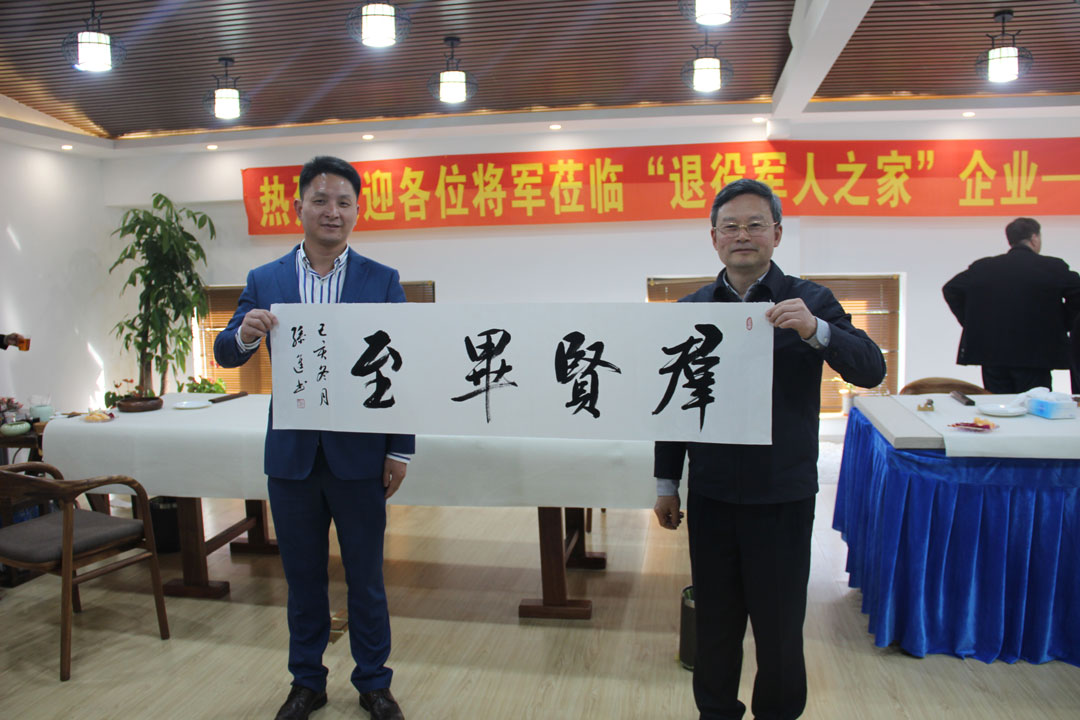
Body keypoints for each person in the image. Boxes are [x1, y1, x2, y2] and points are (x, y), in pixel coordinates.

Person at [653, 179, 886, 720]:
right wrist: (667, 482)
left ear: (776, 234)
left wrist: (816, 330)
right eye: (730, 226)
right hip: (712, 495)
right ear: (714, 238)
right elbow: (673, 405)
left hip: (782, 494)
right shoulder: (692, 308)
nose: (742, 235)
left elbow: (871, 369)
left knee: (779, 628)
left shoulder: (811, 301)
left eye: (755, 224)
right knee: (715, 623)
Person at [215, 156, 413, 720]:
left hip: (360, 456)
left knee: (366, 579)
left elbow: (402, 368)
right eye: (321, 200)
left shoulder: (382, 280)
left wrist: (399, 447)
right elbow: (225, 352)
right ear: (298, 206)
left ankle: (374, 682)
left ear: (357, 211)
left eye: (344, 202)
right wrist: (244, 333)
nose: (332, 211)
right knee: (302, 580)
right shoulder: (266, 279)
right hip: (292, 459)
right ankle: (307, 682)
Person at [942, 217, 1080, 394]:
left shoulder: (983, 267)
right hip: (1037, 355)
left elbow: (951, 289)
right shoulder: (1052, 267)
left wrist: (973, 323)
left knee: (997, 403)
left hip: (992, 354)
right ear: (1034, 238)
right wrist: (1064, 322)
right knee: (1033, 404)